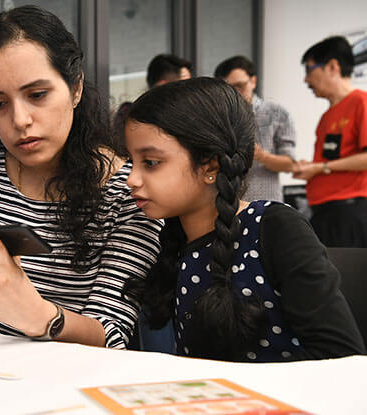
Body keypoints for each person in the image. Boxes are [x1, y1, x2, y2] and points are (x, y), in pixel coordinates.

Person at [0, 5, 162, 349]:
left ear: (75, 88)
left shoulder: (127, 192)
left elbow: (111, 336)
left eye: (37, 95)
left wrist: (39, 316)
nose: (20, 120)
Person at [123, 77, 365, 362]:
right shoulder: (171, 240)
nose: (131, 179)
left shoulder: (274, 228)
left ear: (210, 165)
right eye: (131, 161)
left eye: (151, 163)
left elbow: (343, 359)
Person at [294, 36, 367, 247]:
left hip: (348, 213)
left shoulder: (360, 103)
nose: (306, 80)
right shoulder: (328, 116)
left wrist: (321, 167)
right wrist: (314, 167)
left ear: (333, 67)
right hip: (325, 213)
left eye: (309, 70)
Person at [215, 56, 296, 202]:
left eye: (240, 86)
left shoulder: (276, 113)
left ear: (253, 81)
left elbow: (289, 164)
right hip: (226, 204)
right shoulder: (217, 118)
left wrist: (262, 156)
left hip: (266, 203)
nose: (236, 93)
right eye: (229, 89)